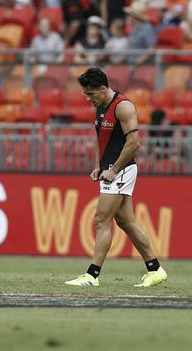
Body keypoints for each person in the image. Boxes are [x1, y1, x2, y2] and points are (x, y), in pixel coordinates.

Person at [64, 68, 167, 287]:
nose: (88, 99)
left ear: (102, 89)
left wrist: (113, 170)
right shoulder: (100, 106)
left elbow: (134, 143)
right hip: (110, 168)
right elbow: (99, 137)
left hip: (121, 169)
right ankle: (155, 269)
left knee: (102, 219)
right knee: (126, 222)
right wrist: (97, 165)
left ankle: (92, 275)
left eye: (91, 94)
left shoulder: (123, 106)